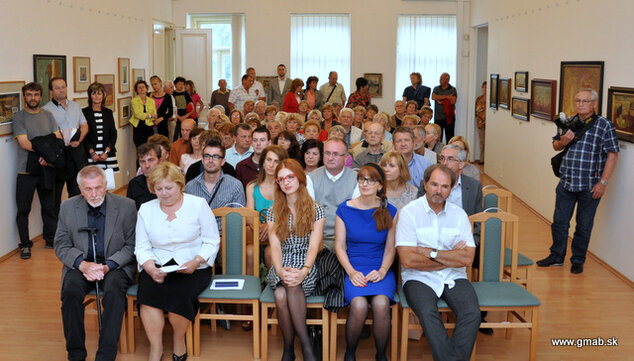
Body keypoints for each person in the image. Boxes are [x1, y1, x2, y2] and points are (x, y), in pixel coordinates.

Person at [135, 162, 220, 361]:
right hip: (158, 264)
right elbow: (142, 247)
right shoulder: (146, 210)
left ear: (180, 186)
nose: (164, 193)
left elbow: (212, 240)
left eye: (169, 188)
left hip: (193, 265)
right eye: (158, 189)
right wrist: (149, 268)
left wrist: (197, 261)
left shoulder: (197, 205)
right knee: (148, 295)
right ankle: (155, 348)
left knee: (180, 294)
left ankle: (178, 341)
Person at [397, 164, 480, 361]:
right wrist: (451, 256)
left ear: (451, 189)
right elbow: (408, 260)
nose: (438, 190)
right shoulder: (409, 213)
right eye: (434, 184)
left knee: (472, 313)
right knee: (427, 313)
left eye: (444, 186)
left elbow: (468, 258)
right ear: (425, 184)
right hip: (418, 278)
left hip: (454, 277)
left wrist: (431, 253)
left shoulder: (459, 215)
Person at [54, 165, 136, 361]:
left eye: (98, 188)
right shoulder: (67, 207)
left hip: (114, 264)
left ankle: (105, 356)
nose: (94, 194)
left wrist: (108, 266)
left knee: (114, 293)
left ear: (106, 185)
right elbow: (61, 244)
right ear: (80, 189)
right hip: (81, 264)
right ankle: (75, 355)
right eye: (88, 189)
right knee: (70, 293)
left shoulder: (127, 206)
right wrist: (82, 265)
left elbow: (132, 245)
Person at [537, 88, 619, 274]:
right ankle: (556, 256)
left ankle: (578, 260)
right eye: (578, 100)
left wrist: (603, 183)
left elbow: (613, 155)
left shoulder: (605, 125)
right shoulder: (569, 122)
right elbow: (555, 146)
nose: (581, 104)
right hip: (566, 182)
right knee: (559, 222)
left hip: (590, 186)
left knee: (584, 225)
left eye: (585, 101)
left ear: (595, 104)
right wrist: (564, 141)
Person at [334, 164, 397, 361]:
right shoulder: (344, 209)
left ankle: (381, 355)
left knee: (380, 303)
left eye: (370, 180)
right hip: (353, 265)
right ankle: (350, 353)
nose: (365, 183)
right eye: (362, 179)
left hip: (380, 267)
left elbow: (390, 248)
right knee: (359, 305)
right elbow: (339, 246)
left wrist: (383, 270)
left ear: (380, 185)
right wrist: (351, 272)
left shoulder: (391, 210)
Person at [266, 159, 325, 361]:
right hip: (281, 263)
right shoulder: (273, 211)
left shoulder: (317, 209)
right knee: (282, 291)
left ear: (300, 178)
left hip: (307, 264)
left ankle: (291, 349)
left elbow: (314, 246)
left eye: (290, 177)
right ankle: (302, 347)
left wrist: (304, 270)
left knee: (285, 293)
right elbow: (274, 246)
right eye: (281, 179)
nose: (286, 182)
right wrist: (280, 270)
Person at [14, 82, 62, 256]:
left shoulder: (48, 115)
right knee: (23, 209)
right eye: (29, 94)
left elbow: (57, 139)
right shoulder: (19, 117)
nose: (32, 98)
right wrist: (46, 150)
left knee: (49, 207)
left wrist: (46, 155)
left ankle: (51, 239)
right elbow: (24, 143)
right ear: (24, 97)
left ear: (41, 97)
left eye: (35, 95)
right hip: (25, 171)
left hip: (46, 168)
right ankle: (25, 244)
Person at [307, 138, 359, 251]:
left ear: (346, 158)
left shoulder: (357, 179)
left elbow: (355, 216)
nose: (330, 158)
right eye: (327, 153)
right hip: (318, 238)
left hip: (347, 240)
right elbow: (309, 214)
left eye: (335, 154)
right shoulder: (311, 178)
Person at [43, 77, 88, 203]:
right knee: (55, 195)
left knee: (76, 192)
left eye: (63, 87)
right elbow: (46, 134)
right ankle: (58, 222)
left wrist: (79, 140)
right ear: (51, 91)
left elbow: (84, 126)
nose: (61, 90)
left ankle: (76, 221)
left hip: (76, 153)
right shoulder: (46, 110)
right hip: (59, 155)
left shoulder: (75, 106)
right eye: (57, 88)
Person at [185, 139, 246, 232]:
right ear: (202, 160)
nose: (210, 160)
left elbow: (239, 220)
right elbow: (187, 219)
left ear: (223, 161)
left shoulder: (235, 186)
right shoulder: (190, 187)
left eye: (216, 157)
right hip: (198, 238)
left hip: (226, 237)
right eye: (207, 156)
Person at [83, 82, 119, 172]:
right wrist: (92, 153)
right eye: (93, 93)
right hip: (90, 155)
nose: (96, 96)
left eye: (99, 93)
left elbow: (113, 133)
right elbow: (83, 135)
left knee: (107, 182)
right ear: (89, 96)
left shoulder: (108, 112)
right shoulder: (84, 112)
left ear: (103, 96)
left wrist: (106, 152)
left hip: (107, 154)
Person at [127, 143, 161, 209]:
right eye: (142, 161)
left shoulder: (169, 183)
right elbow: (130, 212)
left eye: (151, 160)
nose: (147, 165)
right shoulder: (134, 184)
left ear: (159, 161)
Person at [130, 80, 158, 148]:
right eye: (139, 87)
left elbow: (155, 115)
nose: (141, 88)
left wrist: (150, 116)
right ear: (136, 90)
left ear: (146, 89)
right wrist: (150, 115)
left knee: (150, 148)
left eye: (143, 87)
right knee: (140, 149)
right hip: (138, 127)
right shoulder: (134, 101)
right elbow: (138, 114)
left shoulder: (151, 101)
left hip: (149, 128)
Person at [432, 72, 458, 142]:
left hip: (449, 117)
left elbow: (453, 101)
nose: (440, 80)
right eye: (440, 78)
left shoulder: (452, 89)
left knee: (450, 137)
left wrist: (441, 101)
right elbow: (434, 97)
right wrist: (448, 97)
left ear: (448, 80)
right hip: (438, 117)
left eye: (442, 79)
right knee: (437, 137)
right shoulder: (436, 88)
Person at [172, 76, 194, 141]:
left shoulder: (186, 94)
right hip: (176, 118)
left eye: (182, 84)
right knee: (175, 135)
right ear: (175, 84)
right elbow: (172, 108)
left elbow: (192, 107)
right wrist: (179, 117)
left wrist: (184, 117)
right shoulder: (172, 94)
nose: (181, 86)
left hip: (186, 118)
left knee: (186, 135)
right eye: (179, 84)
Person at [475, 81, 487, 164]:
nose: (485, 89)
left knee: (489, 142)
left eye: (487, 87)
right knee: (482, 142)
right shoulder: (479, 99)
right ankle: (482, 159)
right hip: (480, 123)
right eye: (484, 87)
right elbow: (477, 112)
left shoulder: (492, 99)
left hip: (490, 124)